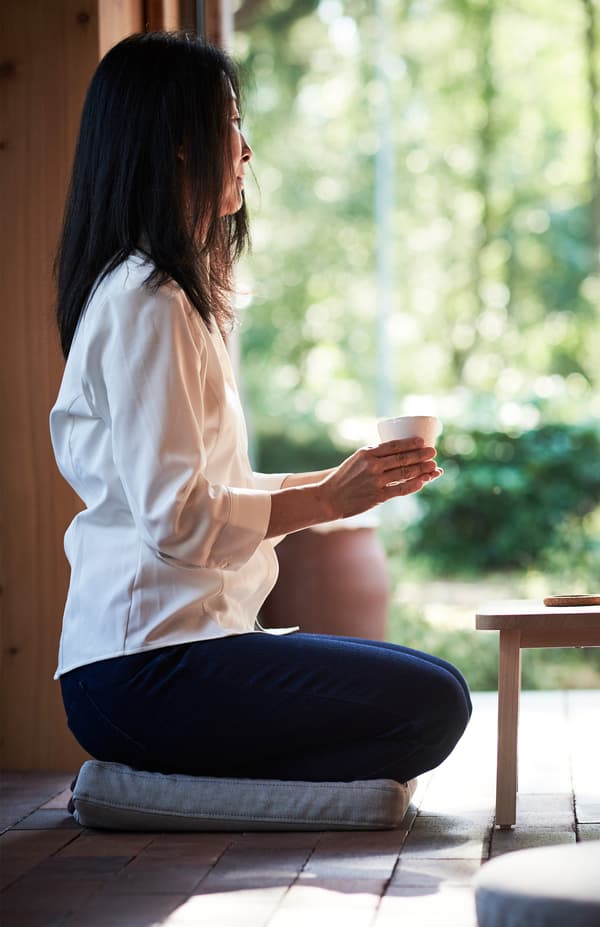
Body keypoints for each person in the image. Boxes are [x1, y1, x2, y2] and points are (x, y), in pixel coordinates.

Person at [51, 32, 471, 784]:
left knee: (431, 691)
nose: (246, 150)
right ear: (181, 143)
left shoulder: (160, 294)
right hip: (143, 665)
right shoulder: (149, 300)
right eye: (233, 122)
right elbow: (179, 520)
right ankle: (168, 786)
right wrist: (328, 497)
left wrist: (352, 482)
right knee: (433, 701)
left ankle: (188, 781)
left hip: (159, 657)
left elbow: (206, 492)